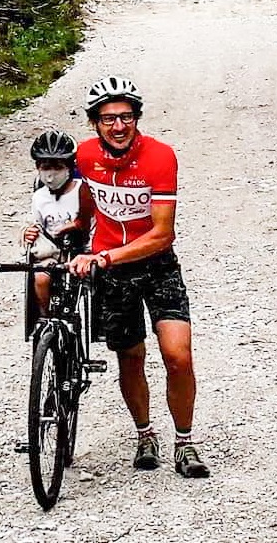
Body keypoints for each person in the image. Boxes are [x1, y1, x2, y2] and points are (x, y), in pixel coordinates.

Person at [67, 76, 210, 478]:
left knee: (178, 356)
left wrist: (106, 256)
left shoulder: (160, 156)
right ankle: (145, 434)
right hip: (110, 272)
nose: (118, 126)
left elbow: (163, 233)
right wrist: (72, 228)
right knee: (130, 357)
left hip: (156, 266)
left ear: (136, 119)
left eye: (126, 117)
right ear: (95, 123)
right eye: (109, 118)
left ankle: (185, 441)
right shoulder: (84, 155)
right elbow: (79, 198)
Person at [22, 130, 94, 316]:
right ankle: (45, 318)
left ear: (69, 167)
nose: (51, 174)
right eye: (45, 167)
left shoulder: (82, 190)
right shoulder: (39, 197)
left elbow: (90, 222)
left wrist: (76, 226)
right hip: (53, 254)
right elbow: (36, 224)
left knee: (97, 282)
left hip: (82, 251)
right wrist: (28, 233)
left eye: (57, 166)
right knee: (40, 278)